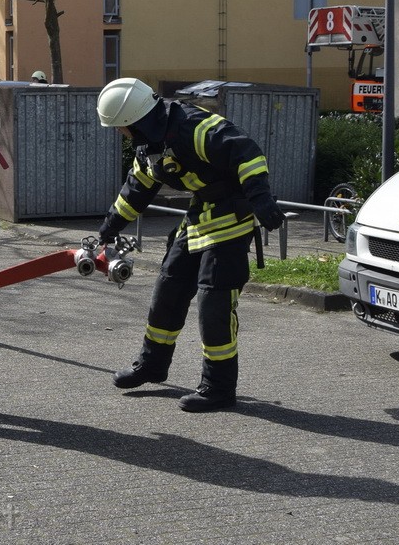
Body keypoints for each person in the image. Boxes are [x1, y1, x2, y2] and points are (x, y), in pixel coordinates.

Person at [95, 77, 285, 412]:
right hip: (200, 217)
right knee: (168, 289)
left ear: (134, 121)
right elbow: (136, 190)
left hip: (231, 217)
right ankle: (152, 365)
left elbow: (245, 151)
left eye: (120, 127)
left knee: (214, 303)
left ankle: (218, 388)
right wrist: (110, 227)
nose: (119, 134)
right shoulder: (150, 145)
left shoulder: (194, 127)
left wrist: (261, 199)